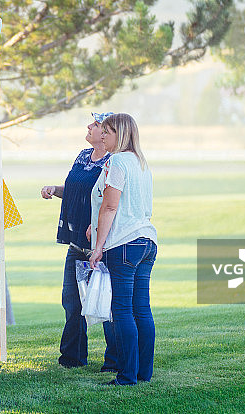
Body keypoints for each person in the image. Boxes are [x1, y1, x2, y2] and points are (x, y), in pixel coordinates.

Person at [41, 112, 118, 371]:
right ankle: (72, 359)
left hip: (101, 245)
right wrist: (55, 190)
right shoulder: (83, 156)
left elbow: (109, 201)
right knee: (72, 303)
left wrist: (96, 226)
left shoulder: (113, 162)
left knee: (106, 304)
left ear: (107, 132)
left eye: (96, 125)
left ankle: (115, 361)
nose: (89, 127)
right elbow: (77, 192)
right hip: (76, 243)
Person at [88, 113, 157, 386]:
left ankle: (127, 376)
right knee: (142, 308)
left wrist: (98, 246)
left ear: (121, 134)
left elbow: (110, 206)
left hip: (124, 244)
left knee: (122, 310)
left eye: (107, 131)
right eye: (102, 131)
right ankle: (144, 373)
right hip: (147, 241)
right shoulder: (142, 163)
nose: (102, 135)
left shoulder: (117, 161)